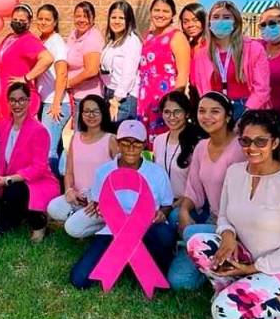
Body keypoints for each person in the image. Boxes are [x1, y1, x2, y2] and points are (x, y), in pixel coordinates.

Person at [187, 110, 280, 319]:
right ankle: (234, 289)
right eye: (246, 141)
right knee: (197, 243)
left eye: (261, 141)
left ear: (275, 142)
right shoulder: (235, 172)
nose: (252, 147)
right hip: (250, 258)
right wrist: (228, 235)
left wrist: (253, 268)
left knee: (223, 313)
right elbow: (223, 216)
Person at [69, 120, 176, 289]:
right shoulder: (104, 171)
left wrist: (163, 213)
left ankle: (139, 262)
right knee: (79, 279)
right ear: (118, 144)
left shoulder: (157, 172)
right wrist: (101, 209)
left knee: (164, 234)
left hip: (147, 228)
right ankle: (126, 259)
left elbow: (167, 204)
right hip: (114, 230)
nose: (130, 148)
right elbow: (98, 201)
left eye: (136, 143)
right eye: (125, 143)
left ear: (144, 146)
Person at [167, 91, 244, 290]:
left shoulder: (240, 148)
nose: (206, 116)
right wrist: (184, 211)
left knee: (191, 231)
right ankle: (206, 259)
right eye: (202, 111)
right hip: (212, 221)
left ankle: (204, 251)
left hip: (237, 228)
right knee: (180, 282)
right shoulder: (201, 146)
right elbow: (193, 189)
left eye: (214, 111)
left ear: (228, 116)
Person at [0, 83, 59, 242]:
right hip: (9, 182)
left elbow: (38, 168)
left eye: (21, 100)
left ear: (29, 101)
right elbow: (0, 160)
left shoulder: (39, 131)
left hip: (36, 183)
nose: (17, 104)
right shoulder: (3, 125)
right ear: (8, 102)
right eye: (13, 100)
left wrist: (8, 180)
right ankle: (22, 215)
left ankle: (39, 222)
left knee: (15, 191)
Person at [47, 94, 118, 237]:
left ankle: (104, 224)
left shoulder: (111, 139)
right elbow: (69, 172)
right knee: (53, 208)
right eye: (86, 111)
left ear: (103, 113)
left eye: (95, 111)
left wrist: (100, 200)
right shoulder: (76, 137)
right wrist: (69, 191)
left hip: (101, 200)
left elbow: (119, 176)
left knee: (72, 229)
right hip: (79, 196)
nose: (90, 115)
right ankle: (81, 217)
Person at [191, 0, 270, 119]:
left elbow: (262, 88)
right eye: (216, 17)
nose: (220, 21)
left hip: (248, 109)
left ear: (236, 22)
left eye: (226, 17)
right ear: (209, 22)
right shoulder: (202, 54)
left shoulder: (253, 49)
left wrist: (246, 113)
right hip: (215, 110)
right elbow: (202, 88)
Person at [138, 0, 191, 141]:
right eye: (157, 10)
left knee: (163, 140)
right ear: (150, 12)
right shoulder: (147, 36)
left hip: (166, 100)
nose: (160, 14)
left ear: (173, 14)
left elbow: (183, 73)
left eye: (165, 11)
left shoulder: (177, 37)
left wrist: (174, 103)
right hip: (145, 99)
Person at [151, 91, 205, 230]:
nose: (172, 117)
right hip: (161, 203)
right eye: (167, 112)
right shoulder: (158, 140)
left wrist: (171, 207)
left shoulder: (197, 142)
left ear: (187, 113)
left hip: (186, 203)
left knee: (171, 220)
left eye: (177, 112)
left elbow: (197, 185)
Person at [0, 3, 53, 116]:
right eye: (15, 19)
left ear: (29, 22)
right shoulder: (9, 37)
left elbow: (47, 58)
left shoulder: (29, 40)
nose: (18, 22)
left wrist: (26, 78)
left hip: (20, 99)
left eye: (22, 20)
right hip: (6, 98)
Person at [35, 4, 71, 177]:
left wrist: (56, 103)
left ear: (55, 22)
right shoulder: (42, 41)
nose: (43, 22)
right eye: (40, 18)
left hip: (55, 103)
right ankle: (64, 181)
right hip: (45, 101)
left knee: (48, 151)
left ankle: (54, 187)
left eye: (47, 19)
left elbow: (62, 72)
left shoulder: (56, 42)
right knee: (56, 147)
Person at [100, 1, 141, 126]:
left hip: (123, 98)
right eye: (113, 17)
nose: (116, 21)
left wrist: (116, 100)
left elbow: (129, 74)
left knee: (118, 138)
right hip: (110, 93)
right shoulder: (112, 40)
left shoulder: (131, 41)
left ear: (129, 20)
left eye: (121, 18)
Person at [66, 1, 104, 128]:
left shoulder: (92, 38)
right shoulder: (74, 34)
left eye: (86, 16)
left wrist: (68, 83)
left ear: (93, 19)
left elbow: (92, 70)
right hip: (76, 96)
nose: (81, 20)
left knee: (83, 138)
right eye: (78, 16)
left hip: (88, 98)